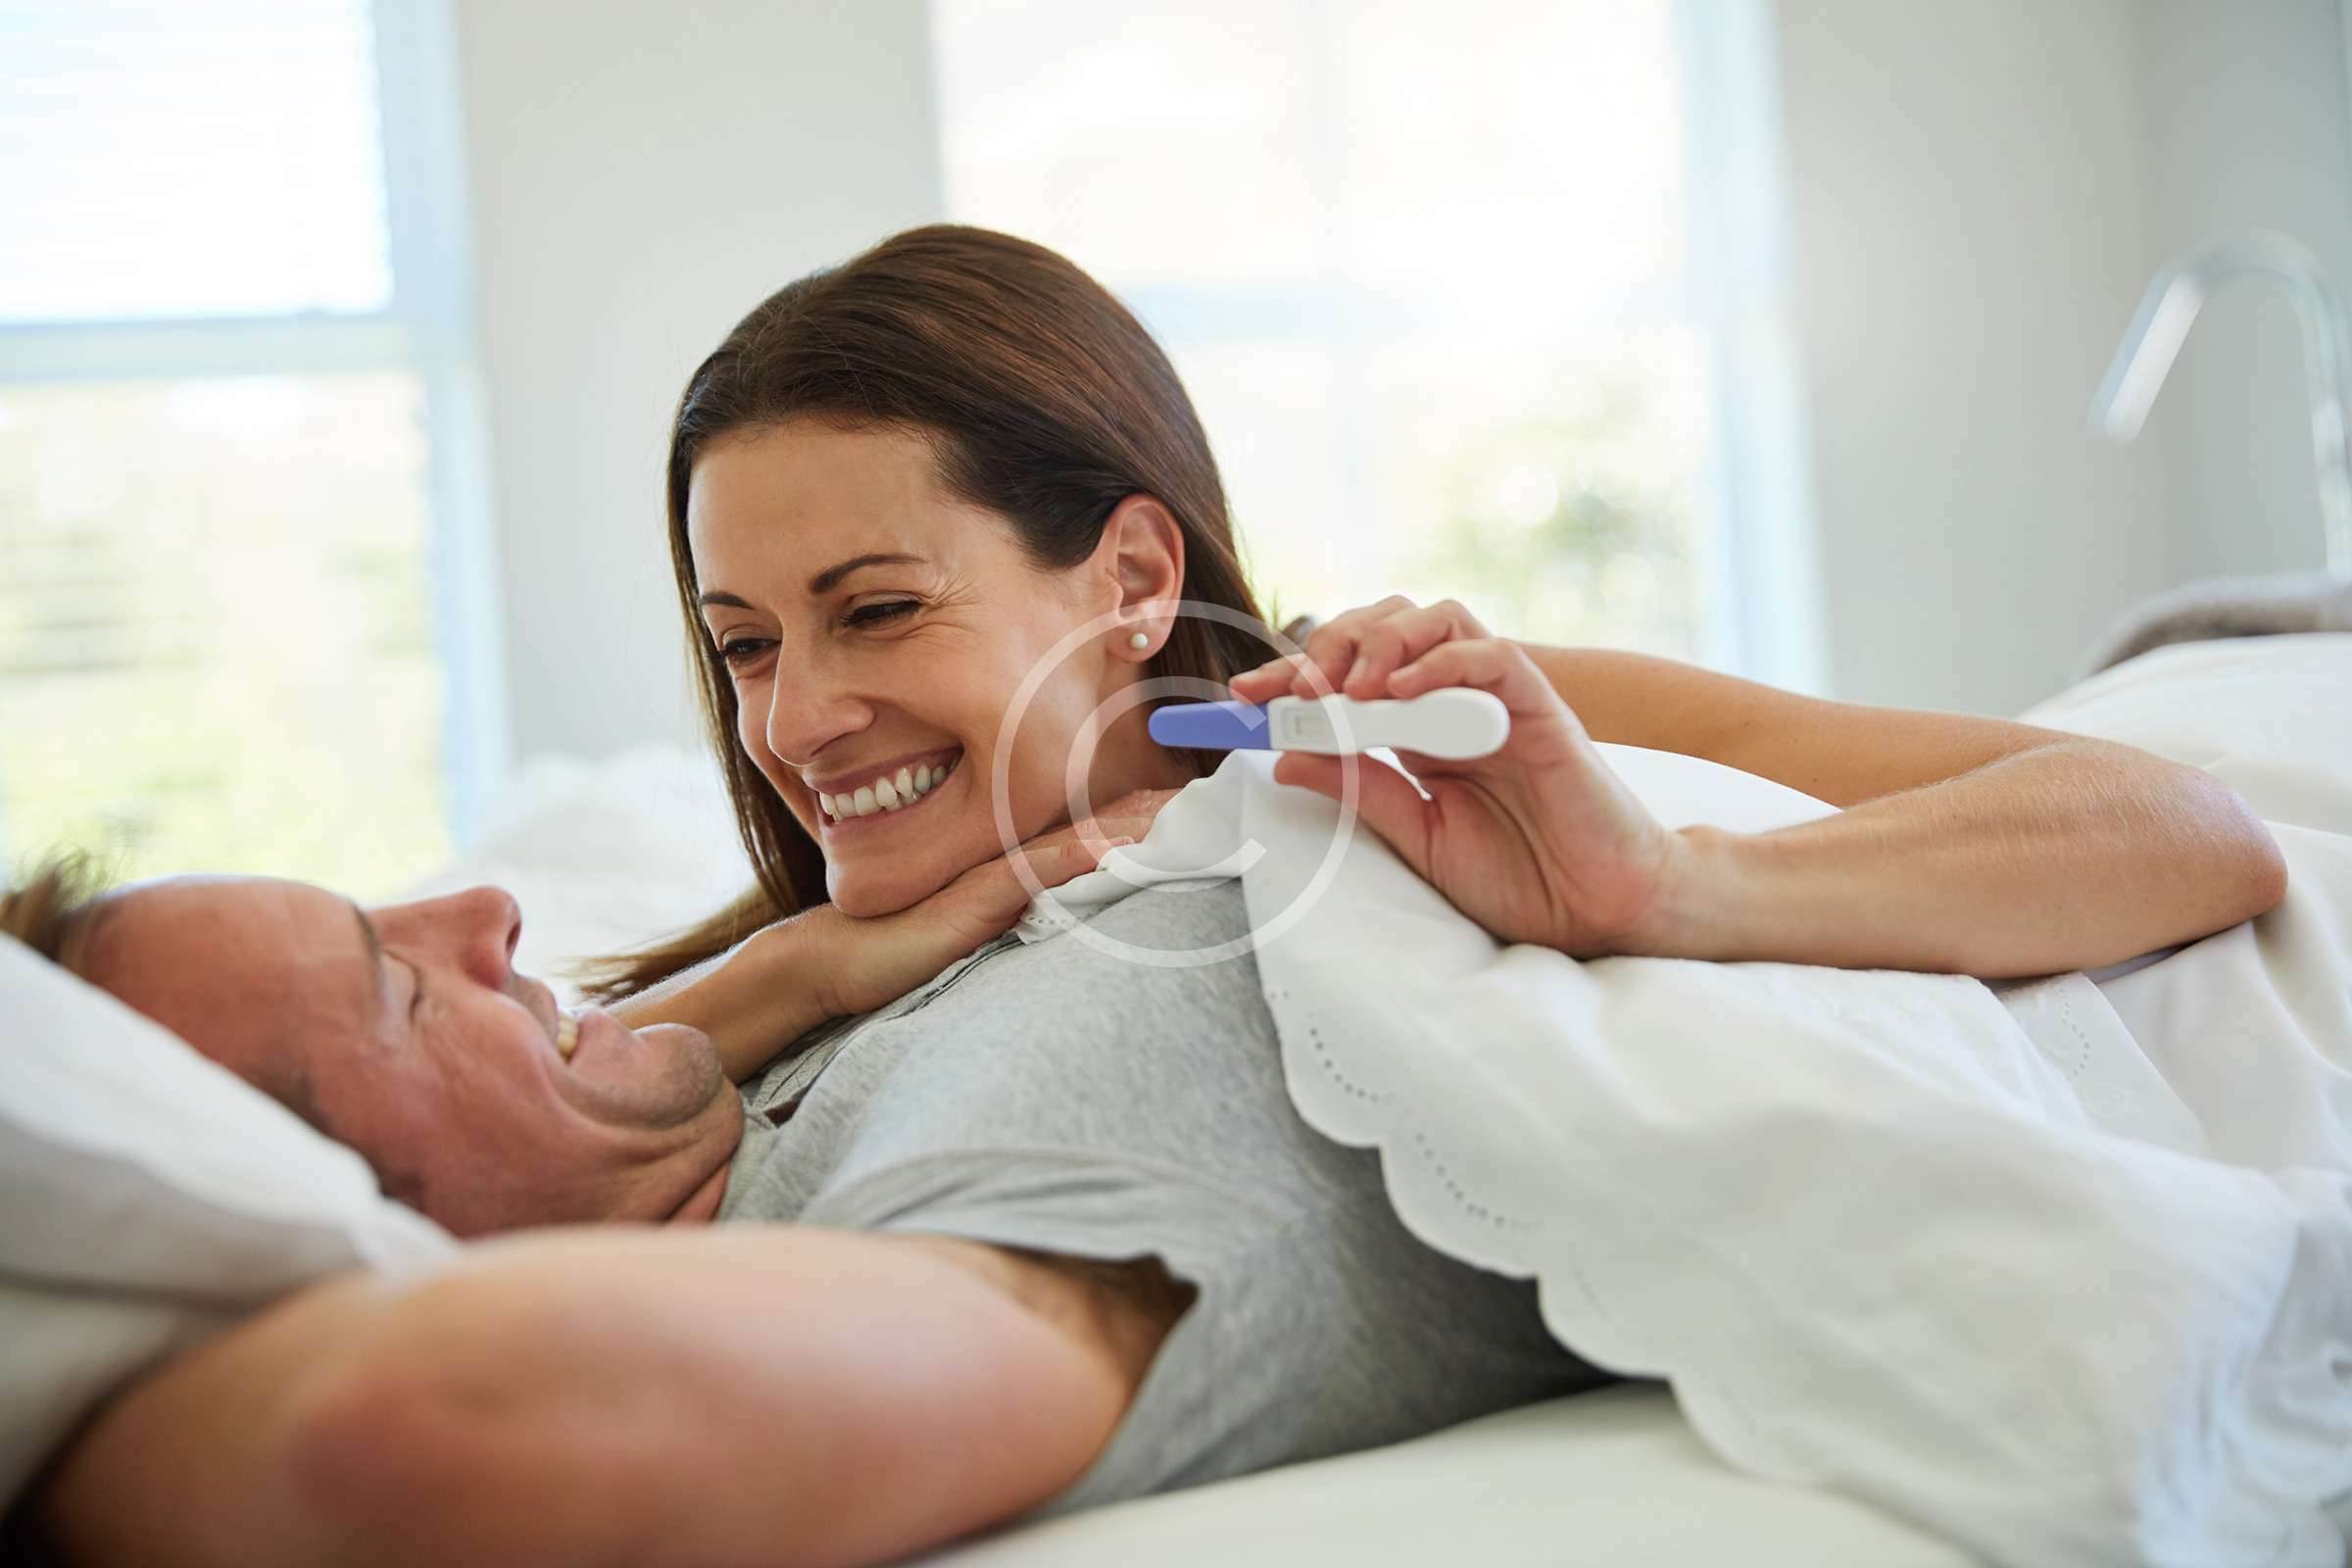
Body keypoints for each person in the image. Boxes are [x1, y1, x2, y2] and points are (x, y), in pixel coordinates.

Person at [3, 225, 2285, 1567]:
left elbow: (2195, 829)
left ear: (1128, 577)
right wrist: (799, 961)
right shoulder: (922, 1058)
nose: (793, 718)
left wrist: (1663, 883)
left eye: (874, 606)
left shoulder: (1344, 761)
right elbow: (427, 1416)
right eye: (745, 641)